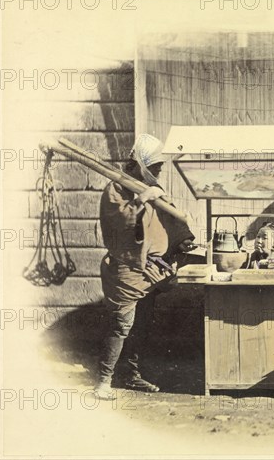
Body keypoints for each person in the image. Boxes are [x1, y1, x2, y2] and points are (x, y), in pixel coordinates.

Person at [95, 134, 195, 400]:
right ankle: (104, 381)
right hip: (127, 268)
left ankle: (131, 375)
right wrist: (141, 200)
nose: (159, 171)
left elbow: (169, 218)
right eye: (155, 167)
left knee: (142, 324)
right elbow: (120, 222)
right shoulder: (116, 189)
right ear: (140, 165)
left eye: (160, 167)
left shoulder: (154, 189)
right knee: (121, 325)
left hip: (152, 270)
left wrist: (182, 239)